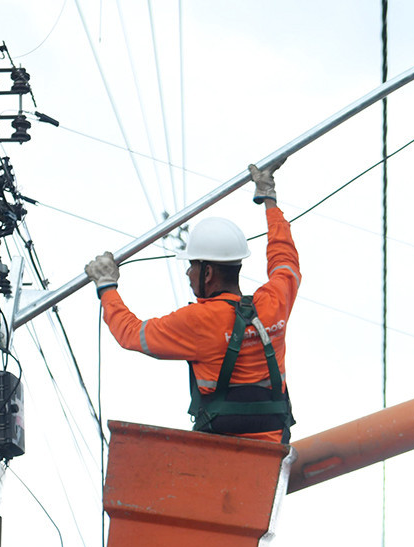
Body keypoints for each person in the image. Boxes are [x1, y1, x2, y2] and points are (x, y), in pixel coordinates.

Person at [85, 162, 300, 443]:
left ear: (208, 273)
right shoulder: (274, 303)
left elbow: (130, 334)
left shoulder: (197, 321)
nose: (188, 273)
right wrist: (269, 200)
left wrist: (107, 286)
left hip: (218, 447)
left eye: (192, 267)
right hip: (274, 445)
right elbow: (284, 260)